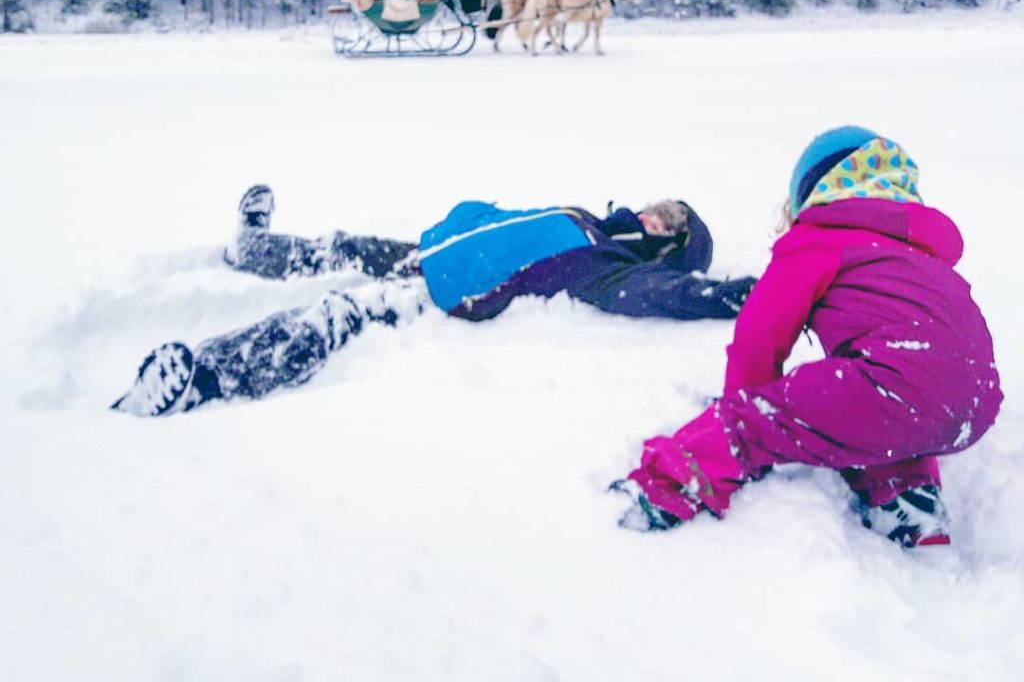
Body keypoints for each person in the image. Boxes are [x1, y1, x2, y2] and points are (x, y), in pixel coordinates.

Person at [612, 126, 1003, 548]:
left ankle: (665, 489)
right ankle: (905, 493)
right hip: (974, 408)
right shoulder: (915, 254)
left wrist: (746, 405)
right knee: (867, 413)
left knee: (770, 417)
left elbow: (760, 337)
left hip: (895, 386)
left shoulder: (818, 239)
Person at [112, 186, 756, 418]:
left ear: (668, 246)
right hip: (439, 256)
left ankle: (205, 377)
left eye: (668, 220)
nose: (652, 211)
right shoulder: (587, 217)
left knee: (338, 313)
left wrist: (750, 294)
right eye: (662, 203)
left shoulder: (610, 268)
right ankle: (254, 250)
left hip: (447, 298)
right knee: (344, 248)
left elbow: (668, 297)